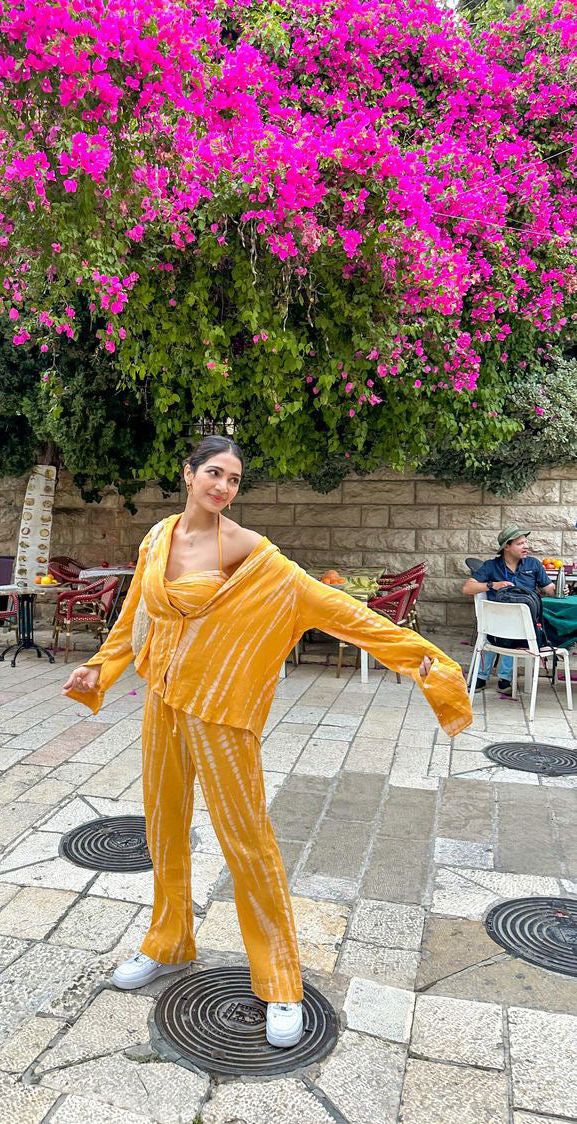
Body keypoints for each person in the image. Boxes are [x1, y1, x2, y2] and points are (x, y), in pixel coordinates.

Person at [63, 435, 473, 1049]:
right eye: (214, 473)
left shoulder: (253, 554)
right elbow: (136, 618)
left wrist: (424, 662)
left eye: (233, 479)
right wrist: (102, 666)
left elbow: (331, 607)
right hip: (163, 705)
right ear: (188, 473)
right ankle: (168, 942)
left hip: (222, 713)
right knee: (163, 827)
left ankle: (281, 981)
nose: (223, 486)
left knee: (247, 840)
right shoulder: (158, 538)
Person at [462, 524, 555, 693]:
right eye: (520, 543)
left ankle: (504, 678)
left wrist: (558, 588)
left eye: (526, 542)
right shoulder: (491, 566)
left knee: (517, 628)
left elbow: (548, 588)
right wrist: (493, 585)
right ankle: (483, 677)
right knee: (497, 629)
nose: (526, 546)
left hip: (525, 623)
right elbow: (467, 588)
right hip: (496, 622)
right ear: (507, 546)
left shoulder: (533, 564)